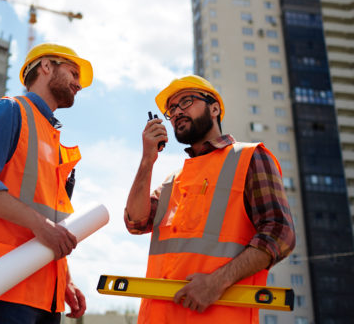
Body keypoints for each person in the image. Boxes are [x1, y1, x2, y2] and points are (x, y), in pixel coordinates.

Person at [125, 75, 295, 324]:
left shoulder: (249, 157)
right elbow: (135, 222)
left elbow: (280, 233)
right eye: (172, 109)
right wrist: (147, 160)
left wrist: (217, 282)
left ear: (214, 108)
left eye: (186, 101)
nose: (177, 112)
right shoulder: (173, 180)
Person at [0, 43, 93, 324]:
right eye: (73, 72)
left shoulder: (54, 141)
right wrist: (42, 226)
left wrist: (65, 278)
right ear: (45, 66)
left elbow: (54, 222)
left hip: (47, 293)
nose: (78, 84)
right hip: (4, 284)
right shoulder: (9, 111)